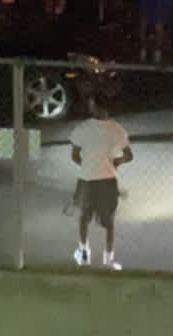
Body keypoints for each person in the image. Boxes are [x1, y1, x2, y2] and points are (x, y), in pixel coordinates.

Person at [68, 95, 133, 270]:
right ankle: (109, 259)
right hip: (107, 180)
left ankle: (83, 253)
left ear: (93, 106)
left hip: (87, 179)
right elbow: (128, 155)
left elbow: (74, 155)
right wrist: (114, 163)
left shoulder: (82, 128)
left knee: (83, 218)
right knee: (109, 222)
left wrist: (89, 165)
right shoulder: (117, 129)